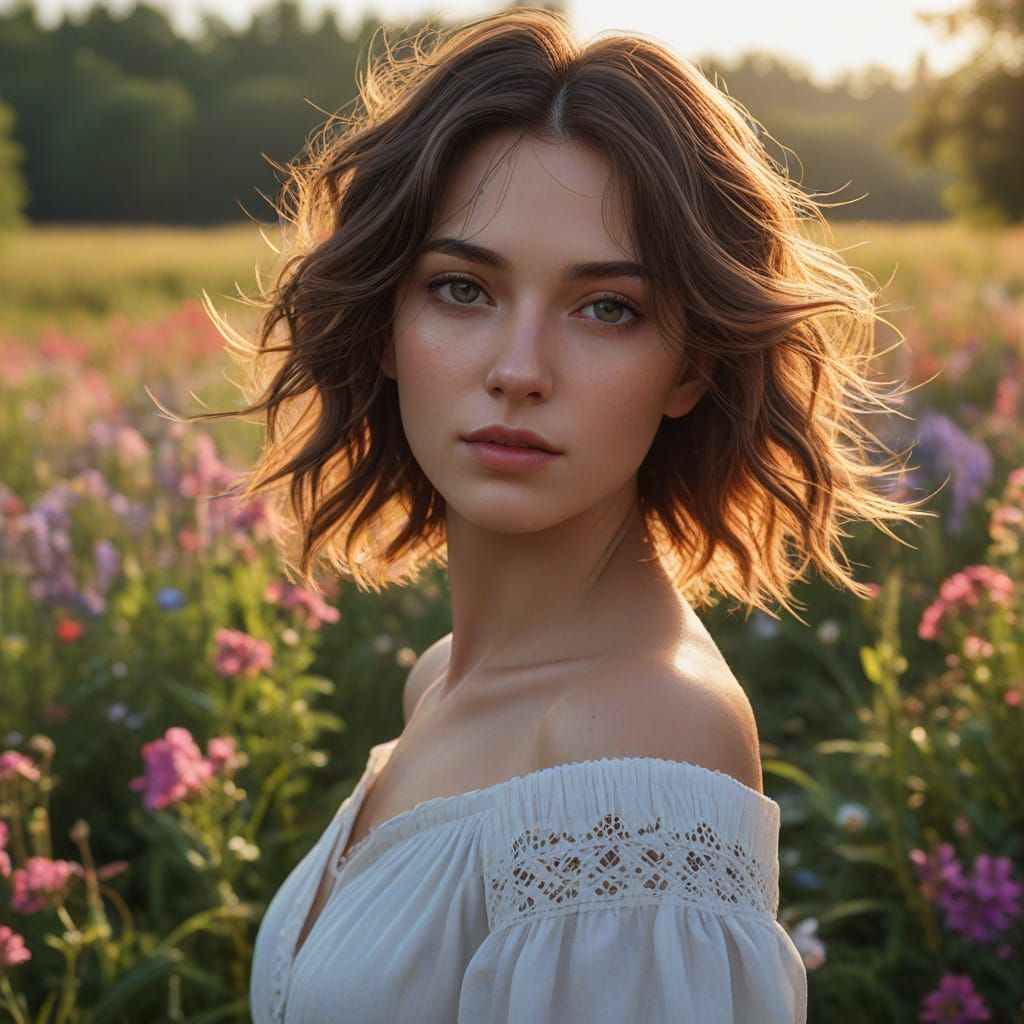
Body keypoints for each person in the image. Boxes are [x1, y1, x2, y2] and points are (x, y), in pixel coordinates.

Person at [190, 7, 928, 1021]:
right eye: (462, 288)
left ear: (690, 367)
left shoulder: (637, 731)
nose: (519, 369)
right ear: (387, 325)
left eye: (607, 308)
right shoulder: (440, 679)